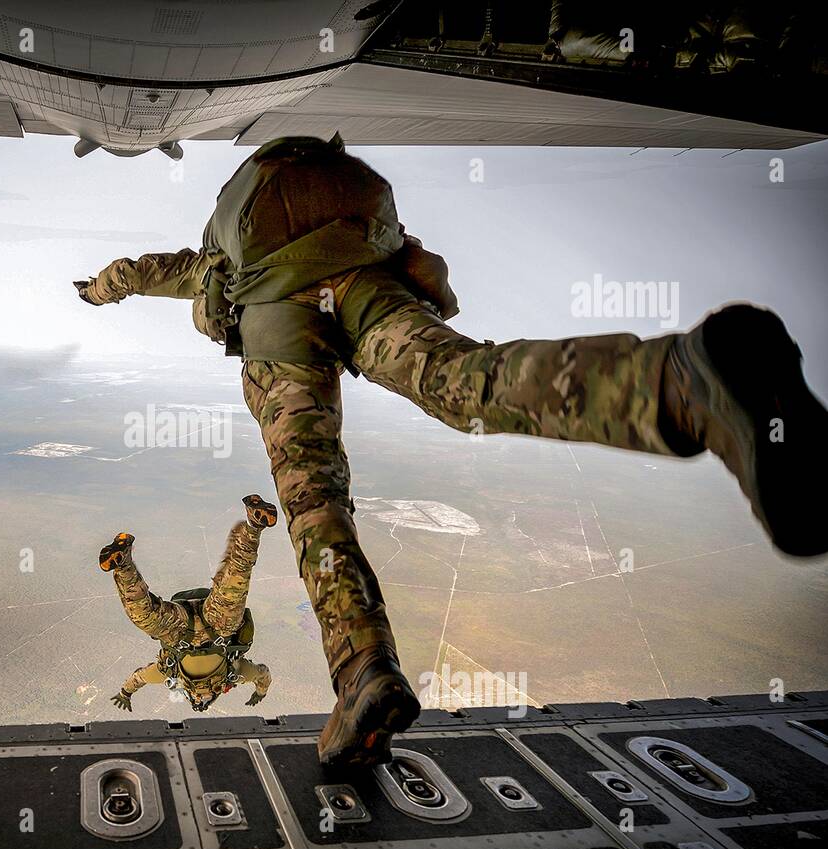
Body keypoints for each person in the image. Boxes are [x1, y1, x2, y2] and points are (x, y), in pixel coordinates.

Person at [76, 134, 828, 769]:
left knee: (313, 500)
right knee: (460, 380)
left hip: (279, 325)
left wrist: (96, 293)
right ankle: (685, 380)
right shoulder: (314, 213)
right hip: (364, 275)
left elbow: (137, 273)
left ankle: (363, 672)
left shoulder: (211, 262)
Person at [103, 495, 277, 714]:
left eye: (196, 698)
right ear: (217, 691)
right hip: (217, 627)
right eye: (205, 699)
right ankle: (254, 526)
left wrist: (125, 693)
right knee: (235, 584)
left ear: (187, 692)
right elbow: (263, 675)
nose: (200, 695)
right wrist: (260, 692)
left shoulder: (169, 671)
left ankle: (122, 563)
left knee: (143, 617)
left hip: (180, 630)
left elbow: (139, 678)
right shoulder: (236, 672)